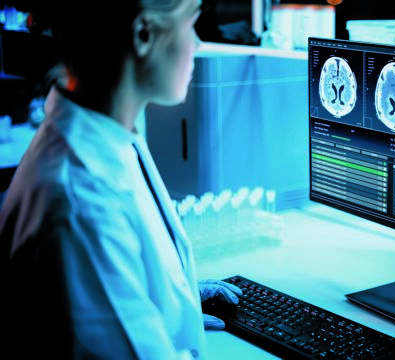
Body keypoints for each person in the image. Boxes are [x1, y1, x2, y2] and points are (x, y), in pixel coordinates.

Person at [0, 0, 242, 358]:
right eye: (191, 24)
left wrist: (173, 301)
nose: (198, 43)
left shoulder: (111, 136)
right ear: (143, 34)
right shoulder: (82, 200)